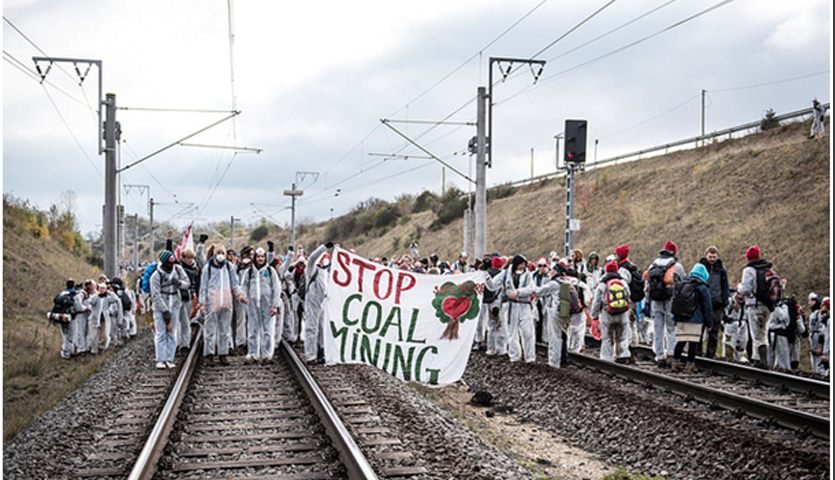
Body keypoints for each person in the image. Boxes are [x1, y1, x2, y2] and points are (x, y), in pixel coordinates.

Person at [198, 244, 243, 366]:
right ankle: (209, 354)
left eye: (222, 253)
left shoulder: (229, 267)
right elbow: (203, 286)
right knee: (210, 330)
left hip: (226, 301)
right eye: (218, 253)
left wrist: (239, 294)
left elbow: (235, 283)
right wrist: (202, 303)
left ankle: (223, 354)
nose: (220, 256)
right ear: (214, 254)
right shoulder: (208, 268)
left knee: (225, 330)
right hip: (212, 301)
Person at [644, 241, 686, 367]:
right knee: (671, 328)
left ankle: (659, 356)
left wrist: (648, 300)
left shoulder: (653, 264)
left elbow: (647, 285)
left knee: (658, 329)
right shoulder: (676, 266)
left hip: (656, 301)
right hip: (670, 301)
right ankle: (672, 355)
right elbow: (682, 284)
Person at [150, 250, 190, 369]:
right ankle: (160, 359)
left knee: (172, 333)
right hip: (160, 307)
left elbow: (187, 283)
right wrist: (164, 310)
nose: (171, 264)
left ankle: (169, 358)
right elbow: (155, 295)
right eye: (169, 262)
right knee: (161, 333)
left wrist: (178, 283)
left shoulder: (178, 270)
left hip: (175, 304)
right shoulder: (156, 276)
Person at [241, 247, 281, 363]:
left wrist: (275, 305)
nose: (260, 259)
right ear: (254, 258)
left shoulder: (270, 271)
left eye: (262, 256)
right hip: (253, 305)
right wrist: (243, 296)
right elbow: (244, 286)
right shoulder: (249, 272)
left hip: (268, 305)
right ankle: (253, 354)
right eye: (258, 256)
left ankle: (267, 355)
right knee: (252, 330)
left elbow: (276, 288)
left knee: (268, 331)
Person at [671, 264, 713, 373]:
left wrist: (675, 319)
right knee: (693, 344)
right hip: (695, 319)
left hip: (681, 318)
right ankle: (690, 365)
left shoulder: (682, 283)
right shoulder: (702, 287)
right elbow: (707, 307)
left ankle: (675, 363)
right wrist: (709, 324)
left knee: (680, 342)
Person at [737, 245, 774, 369]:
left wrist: (739, 288)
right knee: (763, 333)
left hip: (755, 305)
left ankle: (762, 363)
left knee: (757, 336)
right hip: (767, 306)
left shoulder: (749, 270)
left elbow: (746, 288)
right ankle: (758, 359)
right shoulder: (767, 269)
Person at [590, 261, 632, 363]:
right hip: (622, 315)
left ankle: (607, 359)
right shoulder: (623, 283)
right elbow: (628, 297)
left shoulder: (602, 284)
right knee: (621, 337)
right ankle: (622, 356)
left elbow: (597, 302)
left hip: (607, 315)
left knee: (607, 339)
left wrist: (594, 316)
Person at [698, 246, 730, 358]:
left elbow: (725, 285)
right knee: (699, 329)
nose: (712, 259)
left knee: (714, 331)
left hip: (717, 303)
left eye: (714, 257)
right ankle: (698, 352)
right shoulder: (701, 268)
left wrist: (725, 300)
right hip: (702, 303)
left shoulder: (721, 269)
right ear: (706, 255)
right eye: (710, 256)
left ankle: (710, 354)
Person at [504, 255, 536, 363]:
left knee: (528, 332)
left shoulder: (528, 275)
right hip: (512, 306)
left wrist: (518, 292)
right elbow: (494, 284)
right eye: (521, 264)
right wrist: (486, 278)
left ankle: (530, 357)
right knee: (512, 333)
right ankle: (514, 356)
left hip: (524, 305)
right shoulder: (506, 274)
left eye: (524, 264)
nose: (523, 266)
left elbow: (531, 288)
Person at [304, 243, 333, 363]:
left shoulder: (326, 273)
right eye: (323, 257)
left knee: (323, 328)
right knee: (312, 328)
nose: (324, 260)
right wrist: (324, 247)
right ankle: (311, 355)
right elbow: (312, 258)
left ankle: (322, 352)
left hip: (323, 303)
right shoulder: (312, 269)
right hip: (312, 302)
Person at [484, 256, 508, 356]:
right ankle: (501, 349)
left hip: (489, 302)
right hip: (498, 303)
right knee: (501, 326)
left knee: (491, 326)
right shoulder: (502, 275)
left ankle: (490, 349)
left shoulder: (486, 273)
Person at [723, 285, 750, 363]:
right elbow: (725, 311)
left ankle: (739, 357)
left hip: (742, 323)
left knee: (742, 342)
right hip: (732, 323)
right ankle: (728, 357)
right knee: (729, 342)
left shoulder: (747, 302)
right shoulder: (731, 301)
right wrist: (725, 319)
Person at [73, 280, 95, 355]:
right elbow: (78, 305)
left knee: (87, 331)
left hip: (87, 314)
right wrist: (86, 308)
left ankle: (87, 346)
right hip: (81, 314)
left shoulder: (89, 295)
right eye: (92, 288)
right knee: (81, 331)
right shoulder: (81, 294)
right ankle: (81, 348)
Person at [808, 296, 830, 375]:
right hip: (815, 341)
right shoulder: (821, 316)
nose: (821, 307)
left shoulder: (828, 320)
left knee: (822, 368)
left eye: (823, 305)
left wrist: (823, 349)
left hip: (824, 347)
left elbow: (826, 336)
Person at [532, 257, 551, 344]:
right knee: (536, 319)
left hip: (545, 300)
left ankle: (545, 337)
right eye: (540, 265)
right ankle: (537, 337)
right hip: (536, 300)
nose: (541, 268)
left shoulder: (549, 276)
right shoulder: (534, 275)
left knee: (545, 320)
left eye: (544, 266)